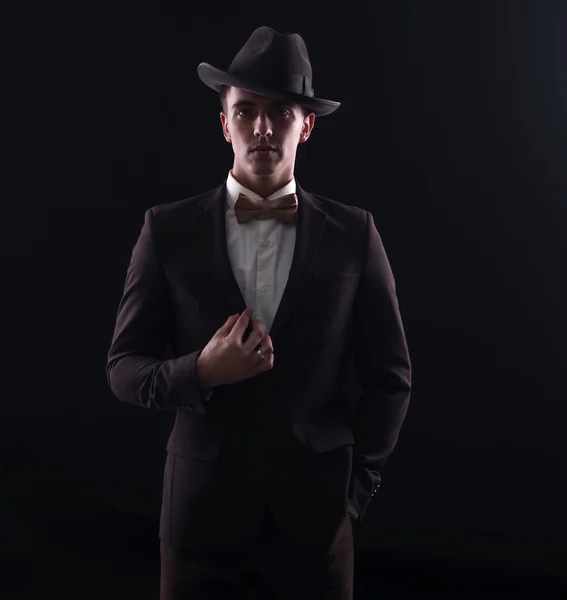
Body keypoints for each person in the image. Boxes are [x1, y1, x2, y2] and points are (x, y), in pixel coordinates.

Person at [106, 25, 412, 600]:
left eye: (281, 112)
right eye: (245, 111)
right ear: (224, 123)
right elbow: (123, 368)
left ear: (307, 124)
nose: (263, 128)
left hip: (317, 531)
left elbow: (391, 379)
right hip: (199, 528)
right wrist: (199, 372)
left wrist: (354, 495)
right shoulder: (166, 230)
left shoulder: (355, 234)